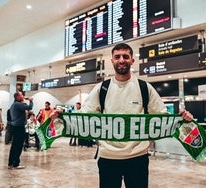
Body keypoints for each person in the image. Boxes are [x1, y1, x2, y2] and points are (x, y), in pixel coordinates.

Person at [77, 43, 193, 188]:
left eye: (126, 56)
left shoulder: (144, 87)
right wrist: (61, 117)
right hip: (108, 158)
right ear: (111, 61)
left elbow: (163, 116)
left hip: (137, 158)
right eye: (117, 57)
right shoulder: (102, 88)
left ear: (132, 60)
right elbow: (83, 116)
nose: (121, 60)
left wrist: (181, 119)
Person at [8, 91, 33, 169]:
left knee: (14, 146)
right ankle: (16, 164)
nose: (23, 96)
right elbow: (29, 107)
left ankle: (11, 163)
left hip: (15, 127)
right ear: (17, 97)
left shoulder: (15, 104)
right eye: (22, 95)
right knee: (18, 146)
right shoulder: (18, 104)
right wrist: (31, 100)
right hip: (19, 128)